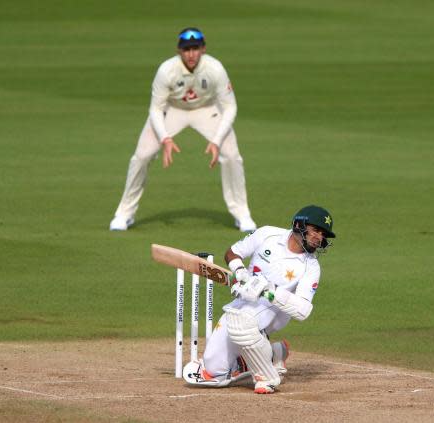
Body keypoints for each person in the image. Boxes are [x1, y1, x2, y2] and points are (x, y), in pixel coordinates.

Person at [109, 27, 256, 232]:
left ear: (203, 49)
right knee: (142, 156)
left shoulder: (215, 69)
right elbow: (156, 108)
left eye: (195, 48)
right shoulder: (166, 70)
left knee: (231, 155)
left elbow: (230, 106)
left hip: (207, 109)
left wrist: (216, 140)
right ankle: (125, 214)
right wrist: (165, 139)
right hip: (173, 109)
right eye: (186, 49)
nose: (191, 54)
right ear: (179, 51)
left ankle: (242, 214)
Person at [182, 205, 336, 394]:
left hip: (273, 311)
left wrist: (267, 291)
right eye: (316, 230)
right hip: (242, 304)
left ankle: (268, 376)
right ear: (299, 224)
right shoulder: (268, 234)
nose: (319, 238)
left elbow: (302, 311)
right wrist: (239, 271)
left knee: (242, 321)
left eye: (323, 234)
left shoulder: (311, 267)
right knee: (214, 370)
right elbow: (232, 252)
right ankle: (268, 355)